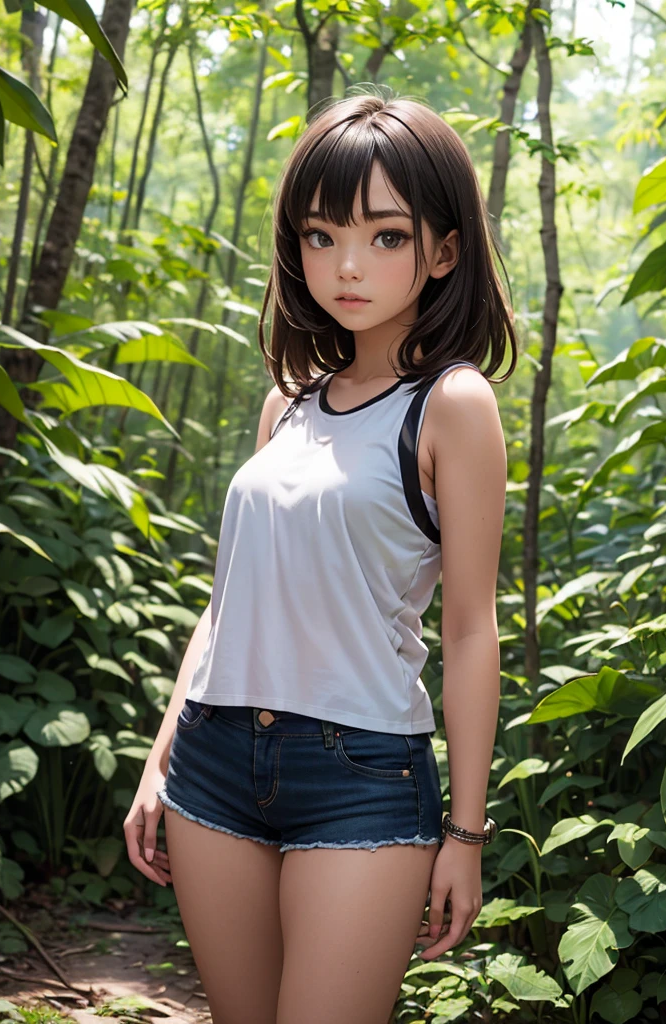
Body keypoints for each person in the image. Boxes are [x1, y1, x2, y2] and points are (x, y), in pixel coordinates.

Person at [124, 89, 514, 1024]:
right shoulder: (287, 403)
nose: (346, 264)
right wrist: (161, 753)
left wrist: (465, 831)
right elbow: (227, 605)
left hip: (362, 774)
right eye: (320, 234)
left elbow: (470, 629)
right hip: (213, 761)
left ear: (445, 251)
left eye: (385, 236)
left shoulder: (453, 406)